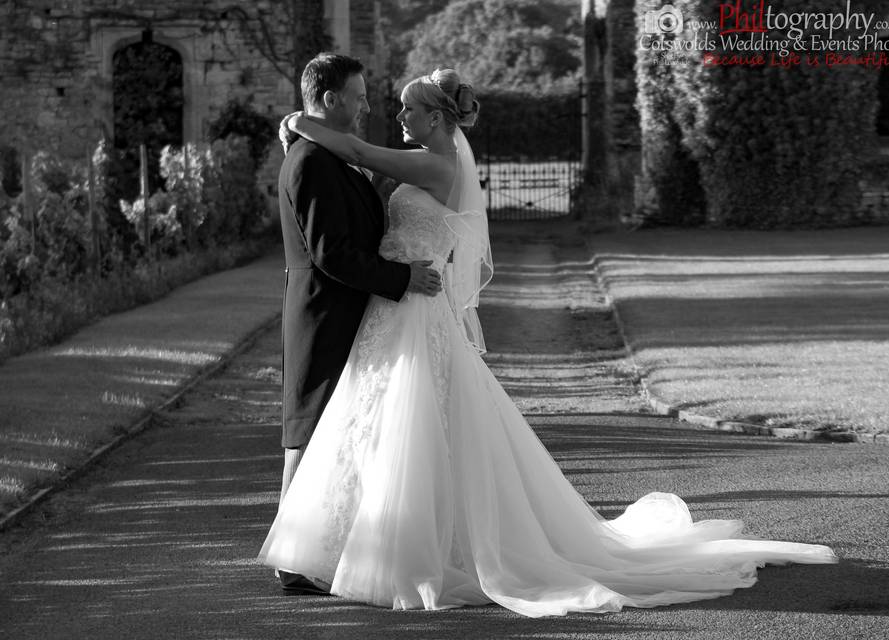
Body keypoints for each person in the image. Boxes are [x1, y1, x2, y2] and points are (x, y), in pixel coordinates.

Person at [259, 68, 837, 617]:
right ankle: (369, 541)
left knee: (416, 426)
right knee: (386, 427)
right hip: (394, 309)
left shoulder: (438, 168)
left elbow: (358, 155)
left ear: (437, 119)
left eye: (408, 106)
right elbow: (363, 184)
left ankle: (415, 550)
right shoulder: (419, 161)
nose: (395, 112)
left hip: (413, 304)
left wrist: (296, 123)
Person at [273, 53, 442, 595]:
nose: (369, 104)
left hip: (344, 307)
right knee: (310, 426)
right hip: (325, 308)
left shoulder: (328, 155)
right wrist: (401, 277)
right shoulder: (313, 161)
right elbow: (331, 253)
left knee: (331, 429)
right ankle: (294, 559)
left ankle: (316, 551)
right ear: (329, 100)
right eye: (360, 95)